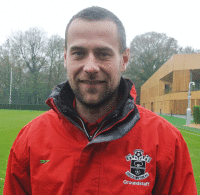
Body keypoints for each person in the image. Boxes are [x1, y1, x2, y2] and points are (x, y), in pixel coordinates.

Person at [3, 6, 197, 195]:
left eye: (103, 54)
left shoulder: (166, 142)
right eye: (78, 53)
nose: (90, 67)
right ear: (65, 58)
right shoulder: (29, 140)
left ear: (124, 59)